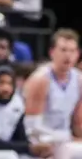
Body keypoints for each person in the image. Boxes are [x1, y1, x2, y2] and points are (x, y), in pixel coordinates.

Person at [22, 29, 82, 159]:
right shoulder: (40, 79)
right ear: (52, 52)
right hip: (41, 140)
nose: (68, 56)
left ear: (78, 54)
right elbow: (32, 126)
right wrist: (65, 138)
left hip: (65, 139)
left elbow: (78, 123)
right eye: (63, 50)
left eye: (72, 51)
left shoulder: (79, 80)